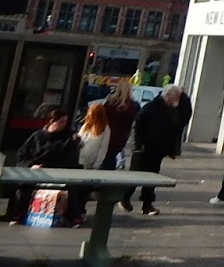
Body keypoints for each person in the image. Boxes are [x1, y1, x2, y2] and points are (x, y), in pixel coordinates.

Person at [6, 106, 79, 223]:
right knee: (21, 186)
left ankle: (72, 217)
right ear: (52, 121)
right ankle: (18, 214)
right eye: (61, 121)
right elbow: (22, 155)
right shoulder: (37, 136)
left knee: (72, 188)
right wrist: (31, 165)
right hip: (36, 171)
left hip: (56, 173)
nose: (64, 124)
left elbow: (70, 159)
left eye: (65, 121)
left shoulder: (68, 138)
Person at [124, 84, 183, 215]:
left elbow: (172, 131)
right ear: (169, 96)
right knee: (135, 177)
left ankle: (147, 205)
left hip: (158, 150)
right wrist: (137, 146)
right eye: (176, 97)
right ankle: (125, 198)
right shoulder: (151, 107)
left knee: (152, 178)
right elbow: (137, 126)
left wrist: (172, 149)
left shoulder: (171, 110)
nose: (177, 99)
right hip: (145, 149)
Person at [67, 100, 111, 227]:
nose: (90, 116)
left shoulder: (105, 129)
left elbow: (103, 148)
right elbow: (81, 142)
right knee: (76, 188)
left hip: (91, 162)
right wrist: (77, 140)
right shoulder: (85, 125)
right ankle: (75, 212)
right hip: (80, 160)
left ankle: (81, 211)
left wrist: (97, 164)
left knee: (84, 190)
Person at [101, 78, 141, 172]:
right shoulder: (133, 106)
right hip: (121, 137)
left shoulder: (109, 103)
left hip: (107, 133)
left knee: (105, 157)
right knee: (112, 156)